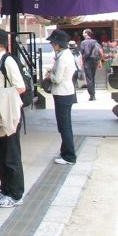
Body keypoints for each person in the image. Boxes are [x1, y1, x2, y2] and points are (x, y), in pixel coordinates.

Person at [0, 27, 25, 209]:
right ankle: (5, 189)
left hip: (8, 114)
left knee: (11, 155)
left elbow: (20, 87)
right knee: (1, 154)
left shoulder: (8, 61)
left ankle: (16, 194)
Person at [45, 29, 77, 164]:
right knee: (65, 125)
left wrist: (49, 75)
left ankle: (69, 156)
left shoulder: (62, 57)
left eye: (53, 43)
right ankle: (65, 152)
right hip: (67, 92)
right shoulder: (66, 54)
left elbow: (57, 79)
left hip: (62, 93)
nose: (52, 45)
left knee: (64, 126)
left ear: (58, 44)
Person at [79, 28, 102, 100]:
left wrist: (81, 62)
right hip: (95, 60)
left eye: (84, 32)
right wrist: (99, 62)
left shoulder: (83, 43)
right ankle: (93, 93)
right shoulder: (95, 41)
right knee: (92, 77)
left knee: (89, 78)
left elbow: (81, 53)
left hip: (87, 61)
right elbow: (98, 52)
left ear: (86, 34)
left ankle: (92, 95)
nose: (83, 34)